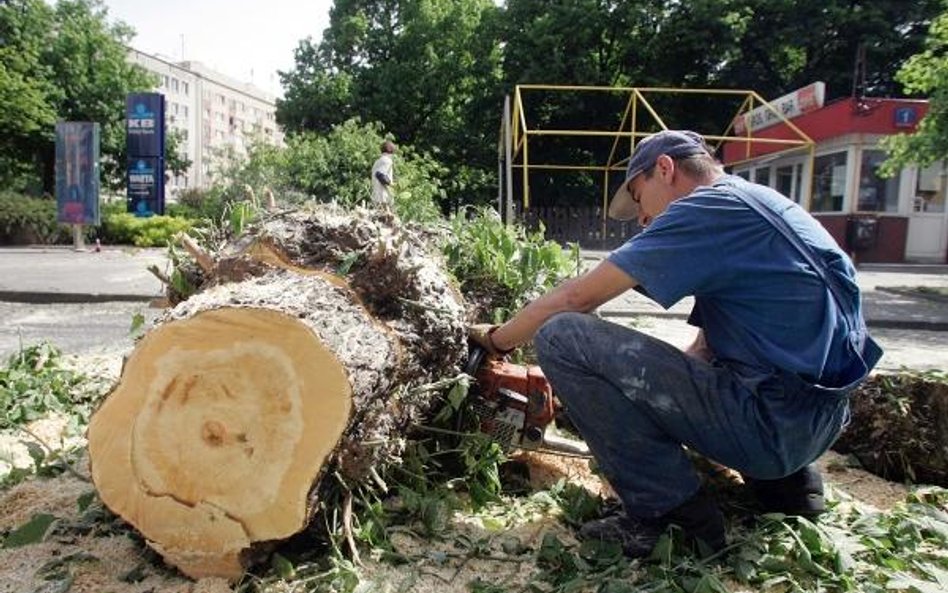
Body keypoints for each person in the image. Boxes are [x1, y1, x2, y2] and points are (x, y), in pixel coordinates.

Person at [469, 130, 882, 558]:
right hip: (818, 423)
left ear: (665, 169)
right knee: (742, 364)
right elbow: (707, 346)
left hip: (768, 428)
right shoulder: (766, 204)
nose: (644, 220)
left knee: (562, 335)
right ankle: (790, 489)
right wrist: (652, 413)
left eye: (639, 198)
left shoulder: (702, 211)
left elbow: (577, 298)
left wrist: (497, 341)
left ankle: (672, 516)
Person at [371, 140, 397, 211]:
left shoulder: (377, 161)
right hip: (383, 197)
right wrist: (391, 184)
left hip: (376, 196)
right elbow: (380, 175)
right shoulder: (387, 160)